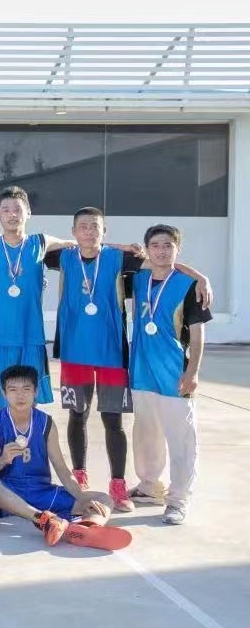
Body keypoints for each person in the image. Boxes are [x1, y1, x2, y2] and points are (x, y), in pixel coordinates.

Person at [43, 207, 212, 512]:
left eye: (95, 227)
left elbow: (163, 264)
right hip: (79, 354)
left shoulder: (124, 262)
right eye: (83, 227)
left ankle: (124, 486)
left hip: (116, 355)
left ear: (104, 231)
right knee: (80, 416)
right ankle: (84, 479)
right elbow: (42, 246)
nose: (89, 232)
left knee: (115, 421)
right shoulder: (66, 259)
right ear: (74, 231)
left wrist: (200, 276)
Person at [0, 365, 132, 550]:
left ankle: (88, 527)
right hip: (8, 494)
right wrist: (2, 460)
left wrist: (82, 497)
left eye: (26, 389)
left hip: (42, 492)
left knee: (103, 499)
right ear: (4, 393)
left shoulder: (46, 423)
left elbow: (61, 468)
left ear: (35, 392)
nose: (20, 396)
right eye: (13, 390)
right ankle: (44, 520)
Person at [128, 224, 212, 525]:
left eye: (168, 245)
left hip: (174, 372)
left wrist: (193, 371)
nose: (161, 251)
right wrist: (200, 273)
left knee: (181, 440)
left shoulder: (190, 286)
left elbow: (198, 335)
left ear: (178, 249)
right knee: (146, 434)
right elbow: (104, 251)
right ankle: (150, 486)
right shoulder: (138, 278)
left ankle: (178, 500)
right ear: (147, 249)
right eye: (155, 245)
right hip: (141, 371)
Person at [0, 186, 75, 413]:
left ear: (28, 212)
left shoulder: (40, 242)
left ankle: (28, 437)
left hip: (31, 335)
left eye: (17, 209)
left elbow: (82, 245)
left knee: (29, 398)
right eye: (6, 210)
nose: (12, 214)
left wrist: (124, 247)